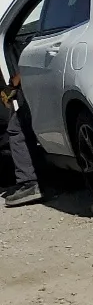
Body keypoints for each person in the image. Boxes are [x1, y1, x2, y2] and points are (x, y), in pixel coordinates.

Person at [2, 71, 41, 207]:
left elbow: (24, 67)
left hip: (40, 91)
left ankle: (30, 183)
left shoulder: (14, 48)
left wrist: (12, 85)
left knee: (16, 127)